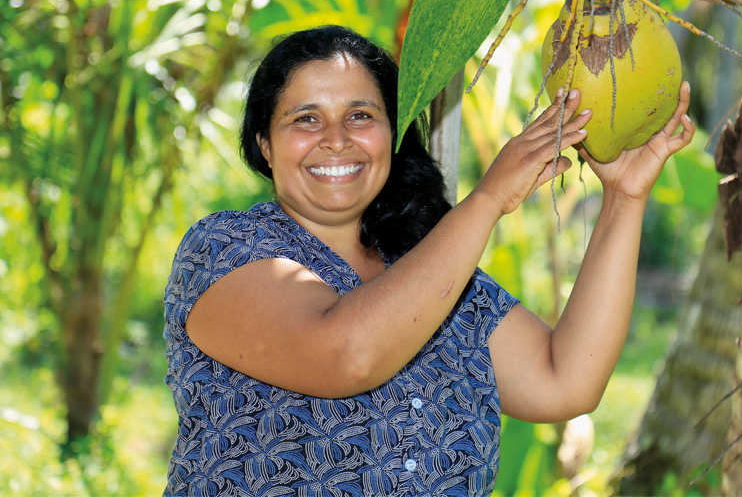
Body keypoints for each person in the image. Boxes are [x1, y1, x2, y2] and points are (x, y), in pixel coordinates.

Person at [163, 25, 694, 496]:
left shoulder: (428, 265)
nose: (337, 139)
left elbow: (564, 380)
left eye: (361, 115)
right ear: (264, 144)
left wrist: (625, 199)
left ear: (391, 135)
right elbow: (347, 353)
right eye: (306, 118)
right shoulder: (223, 251)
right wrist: (488, 201)